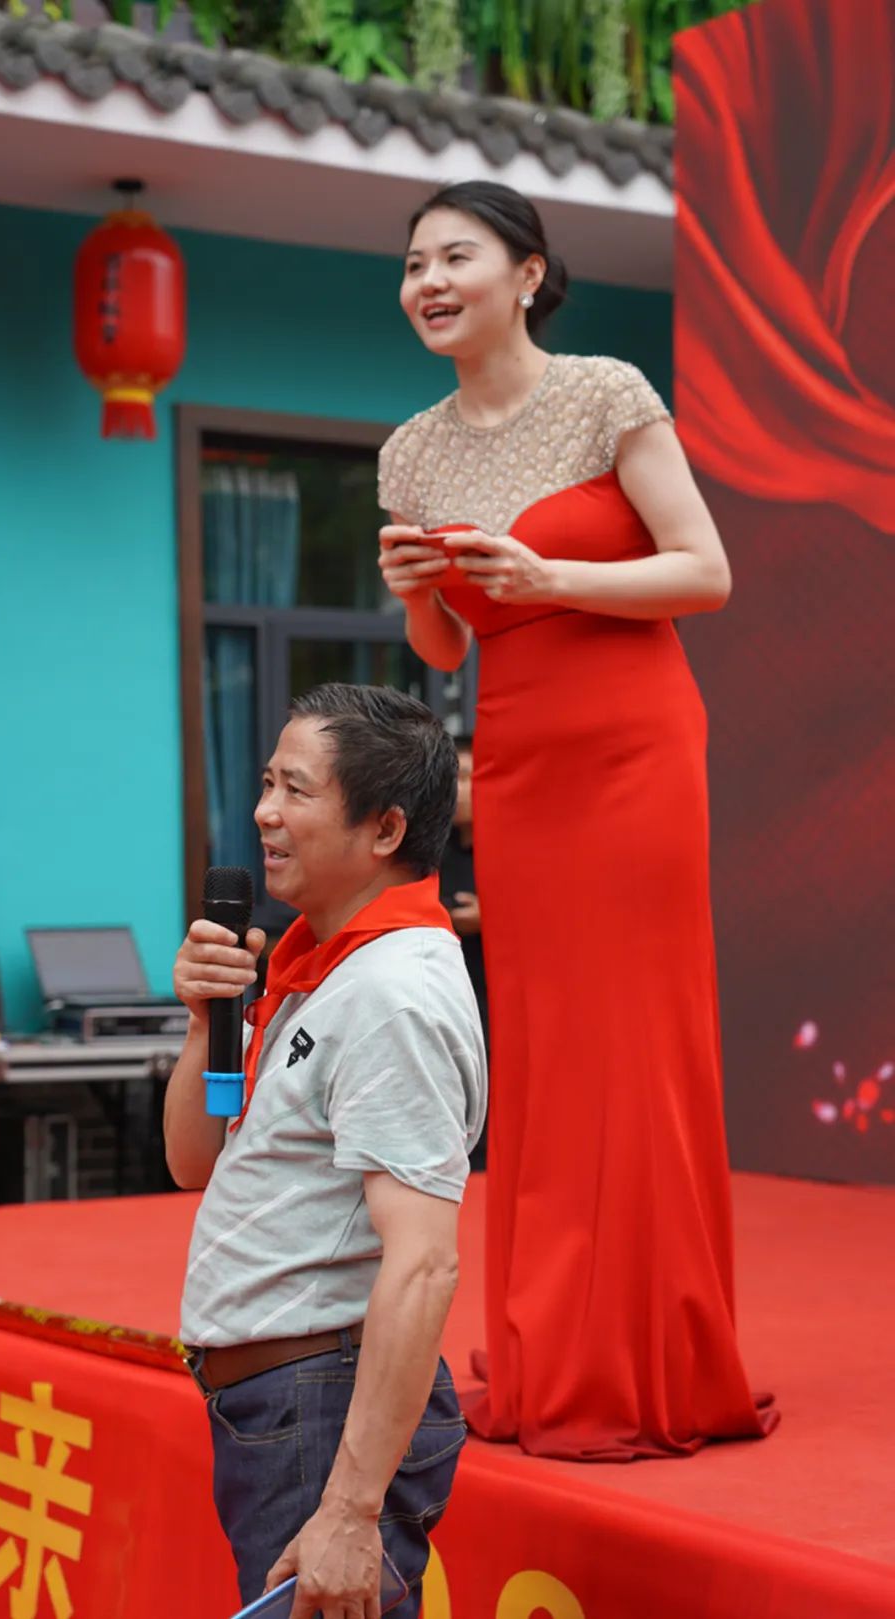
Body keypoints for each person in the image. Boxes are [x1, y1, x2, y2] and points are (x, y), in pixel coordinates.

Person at [377, 180, 777, 1461]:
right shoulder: (410, 450)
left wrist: (554, 576)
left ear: (529, 274)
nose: (428, 281)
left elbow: (703, 571)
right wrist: (417, 592)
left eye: (456, 255)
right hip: (523, 755)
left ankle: (660, 1352)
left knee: (637, 1038)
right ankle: (559, 1348)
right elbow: (445, 644)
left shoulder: (608, 392)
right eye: (414, 263)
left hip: (638, 742)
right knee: (544, 1045)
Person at [166, 683, 486, 1618]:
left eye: (296, 790)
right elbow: (195, 1162)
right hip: (280, 1402)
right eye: (268, 782)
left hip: (323, 1406)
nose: (264, 811)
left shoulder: (393, 992)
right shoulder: (319, 962)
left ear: (384, 829)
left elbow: (425, 1262)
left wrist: (350, 1506)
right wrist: (202, 1023)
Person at [438, 737, 489, 1169]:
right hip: (446, 1003)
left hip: (502, 1009)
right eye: (451, 778)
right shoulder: (431, 853)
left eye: (467, 777)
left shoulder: (521, 852)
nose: (458, 789)